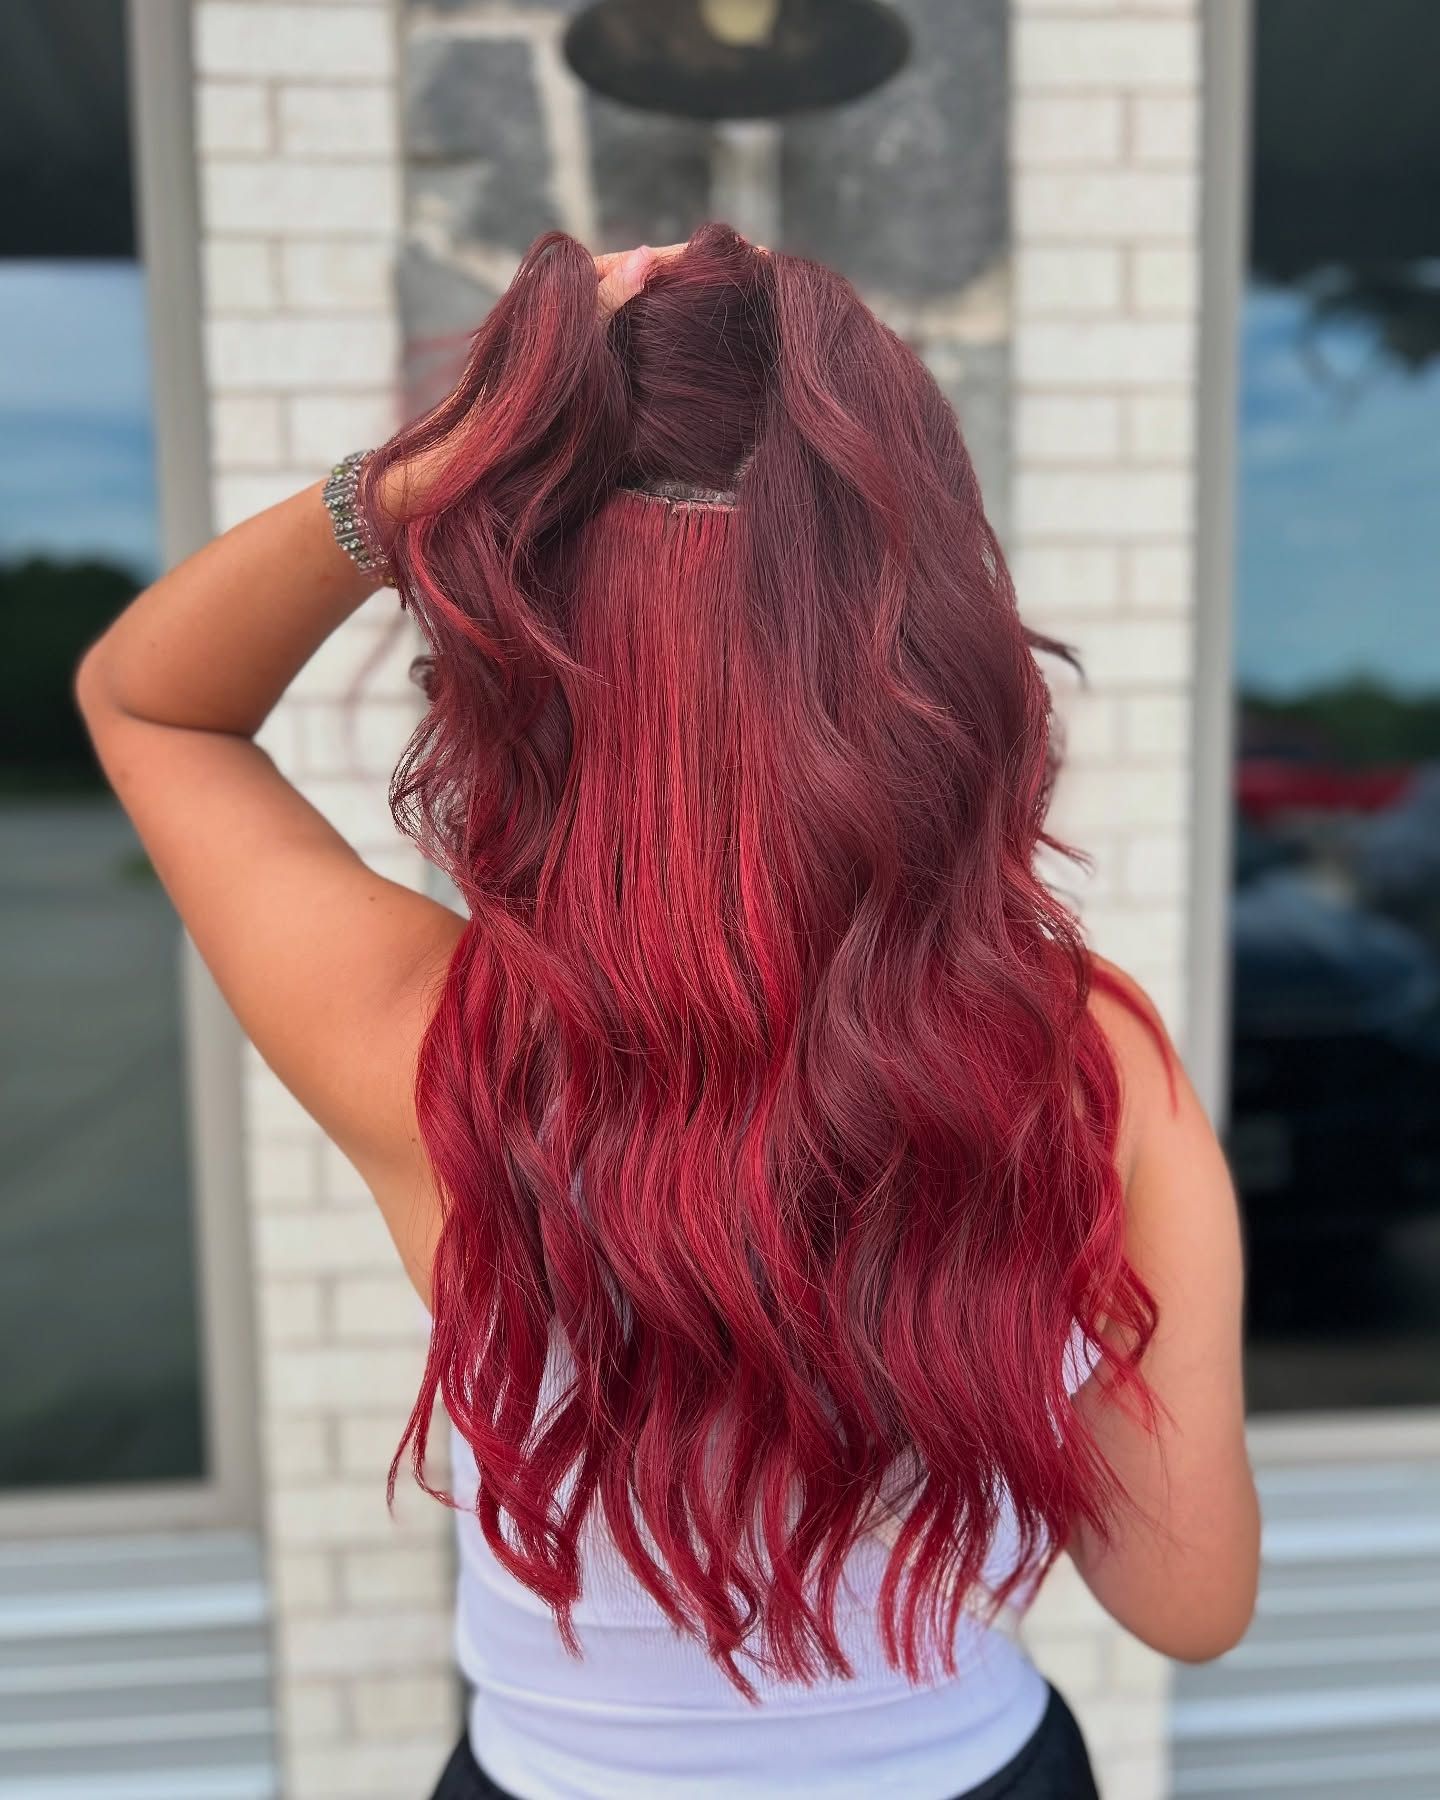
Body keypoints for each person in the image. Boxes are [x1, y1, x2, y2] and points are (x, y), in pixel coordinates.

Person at [77, 228, 1259, 1800]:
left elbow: (150, 700)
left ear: (520, 665)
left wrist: (409, 484)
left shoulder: (432, 1043)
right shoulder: (1079, 1061)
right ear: (922, 659)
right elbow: (1187, 1603)